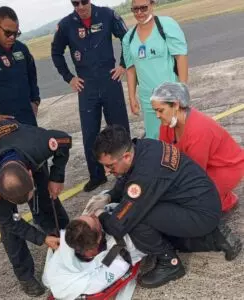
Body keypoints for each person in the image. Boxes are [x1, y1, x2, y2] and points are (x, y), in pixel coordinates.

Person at [84, 125, 242, 288]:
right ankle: (214, 238)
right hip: (200, 202)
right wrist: (109, 195)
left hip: (200, 213)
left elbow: (118, 226)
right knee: (143, 215)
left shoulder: (145, 175)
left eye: (110, 166)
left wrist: (101, 214)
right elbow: (127, 178)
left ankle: (170, 263)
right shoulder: (144, 147)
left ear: (126, 156)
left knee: (136, 219)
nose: (107, 171)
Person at [0, 120, 72, 297]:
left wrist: (57, 176)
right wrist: (41, 239)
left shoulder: (39, 145)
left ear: (30, 173)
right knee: (9, 226)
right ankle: (24, 275)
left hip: (21, 143)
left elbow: (66, 140)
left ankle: (64, 239)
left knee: (45, 199)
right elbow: (9, 221)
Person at [51, 0, 130, 192]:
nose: (80, 7)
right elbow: (56, 52)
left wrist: (123, 64)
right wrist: (69, 78)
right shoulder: (66, 24)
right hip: (86, 87)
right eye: (75, 3)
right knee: (90, 134)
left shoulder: (107, 15)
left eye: (83, 2)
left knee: (119, 129)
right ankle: (97, 175)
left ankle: (128, 170)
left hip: (109, 80)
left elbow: (127, 38)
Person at [150, 82, 244, 212]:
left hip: (227, 167)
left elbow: (195, 173)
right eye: (155, 111)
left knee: (191, 199)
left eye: (160, 110)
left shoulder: (198, 130)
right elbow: (164, 154)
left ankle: (224, 200)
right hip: (204, 165)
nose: (157, 116)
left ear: (176, 105)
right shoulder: (167, 122)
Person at [43, 209, 145, 300]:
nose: (93, 214)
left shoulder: (75, 240)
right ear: (99, 238)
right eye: (93, 218)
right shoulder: (118, 258)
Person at [122, 0, 188, 139]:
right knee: (154, 138)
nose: (139, 13)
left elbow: (180, 57)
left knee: (177, 137)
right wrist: (132, 98)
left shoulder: (166, 25)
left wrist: (182, 90)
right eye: (135, 9)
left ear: (152, 5)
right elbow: (131, 69)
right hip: (149, 101)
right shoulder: (129, 38)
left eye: (143, 8)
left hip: (171, 97)